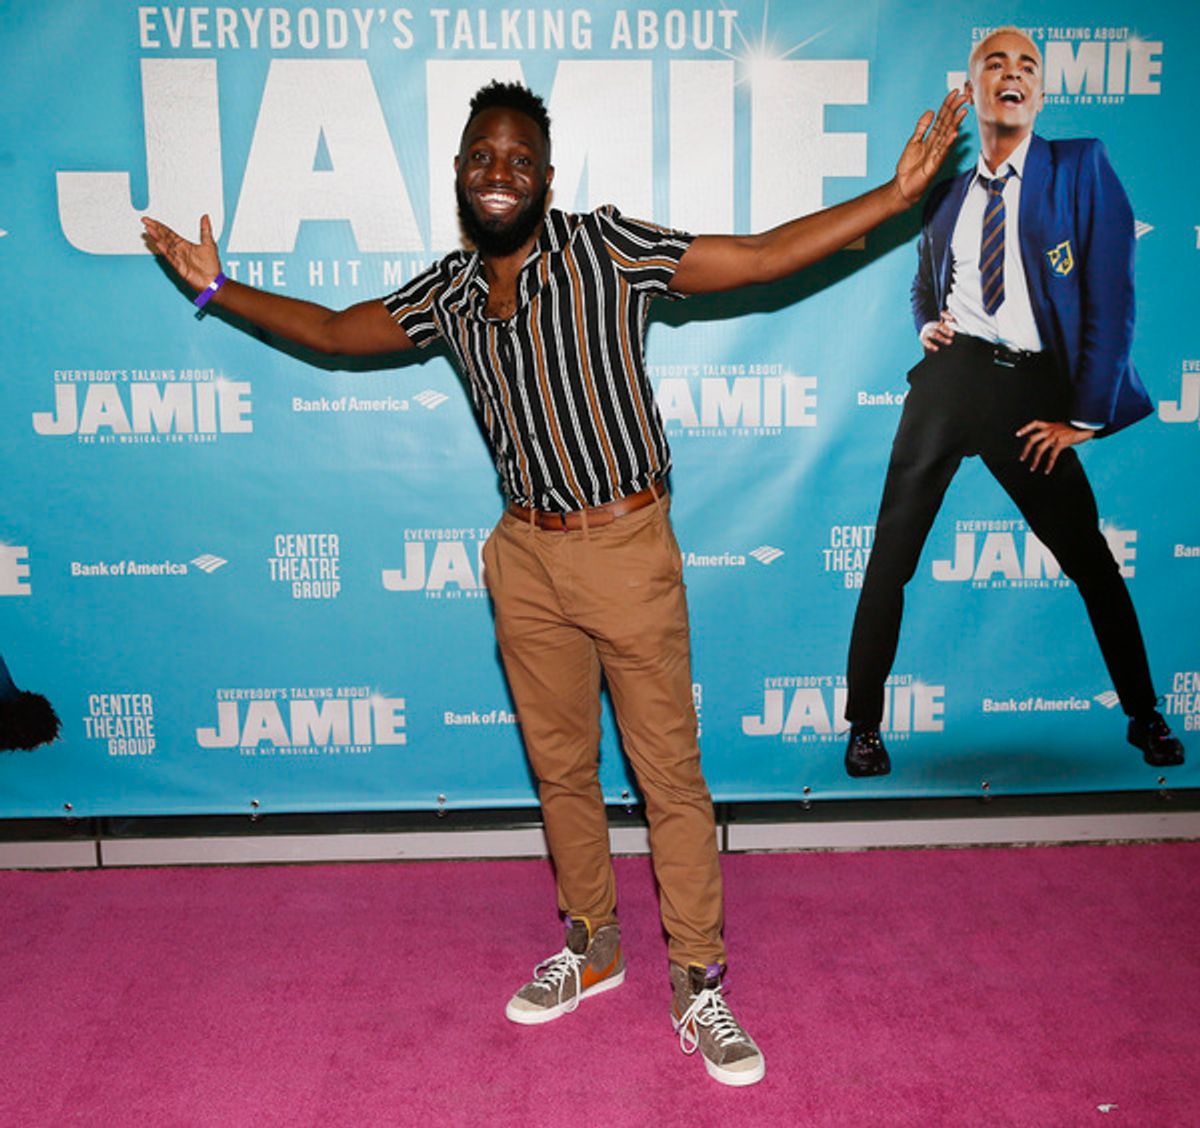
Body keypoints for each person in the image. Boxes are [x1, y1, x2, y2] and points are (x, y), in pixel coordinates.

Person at [144, 79, 965, 1086]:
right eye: (482, 157)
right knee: (562, 770)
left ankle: (700, 980)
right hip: (523, 557)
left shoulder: (603, 249)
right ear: (459, 171)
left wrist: (895, 197)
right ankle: (594, 942)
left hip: (625, 547)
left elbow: (755, 259)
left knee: (669, 779)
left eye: (519, 160)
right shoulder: (449, 292)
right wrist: (216, 289)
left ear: (546, 176)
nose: (500, 173)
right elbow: (330, 330)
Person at [843, 28, 1184, 779]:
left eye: (1027, 65)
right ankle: (863, 727)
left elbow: (1112, 296)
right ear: (973, 88)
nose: (1013, 73)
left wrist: (1085, 418)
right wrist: (927, 323)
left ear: (1040, 93)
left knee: (1090, 560)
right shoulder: (947, 195)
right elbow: (926, 280)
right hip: (950, 381)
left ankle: (1144, 714)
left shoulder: (1080, 167)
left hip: (1029, 391)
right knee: (889, 558)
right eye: (996, 62)